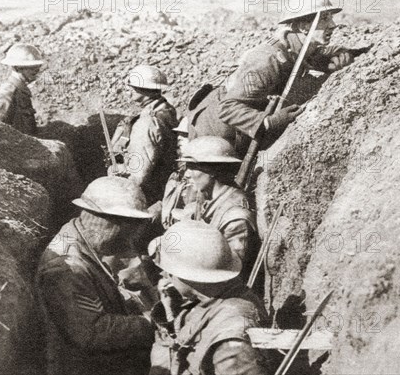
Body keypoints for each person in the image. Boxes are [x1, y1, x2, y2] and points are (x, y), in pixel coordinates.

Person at [190, 0, 354, 155]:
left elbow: (319, 55)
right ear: (304, 26)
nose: (333, 25)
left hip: (240, 128)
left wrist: (341, 56)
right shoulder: (267, 60)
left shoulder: (300, 47)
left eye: (331, 18)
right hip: (214, 133)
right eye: (325, 18)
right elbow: (227, 109)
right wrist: (270, 122)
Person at [35, 176, 155, 375]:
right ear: (102, 220)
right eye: (128, 226)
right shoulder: (65, 269)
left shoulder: (88, 238)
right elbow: (91, 332)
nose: (133, 235)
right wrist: (150, 323)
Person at [149, 220, 270, 375]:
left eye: (169, 272)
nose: (165, 276)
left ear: (187, 277)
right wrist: (169, 311)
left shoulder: (232, 335)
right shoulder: (213, 299)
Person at [179, 136, 259, 283]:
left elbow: (230, 272)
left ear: (212, 170)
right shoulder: (205, 199)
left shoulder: (235, 217)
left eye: (192, 167)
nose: (186, 174)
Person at [109, 65, 179, 205]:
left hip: (146, 196)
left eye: (132, 86)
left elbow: (137, 177)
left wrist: (117, 170)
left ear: (143, 88)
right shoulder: (166, 110)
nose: (129, 90)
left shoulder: (145, 124)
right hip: (163, 185)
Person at [0, 43, 44, 135]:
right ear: (17, 67)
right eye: (32, 67)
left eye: (38, 67)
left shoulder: (21, 91)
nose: (37, 71)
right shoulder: (7, 94)